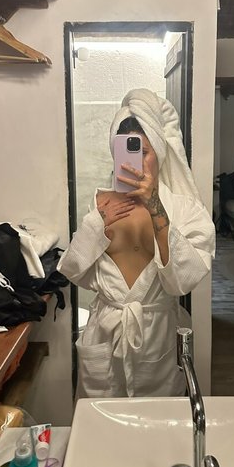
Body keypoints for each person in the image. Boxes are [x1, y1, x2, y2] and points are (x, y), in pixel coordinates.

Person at [57, 88, 215, 398]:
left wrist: (156, 208)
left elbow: (182, 282)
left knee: (157, 420)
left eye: (144, 152)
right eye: (127, 152)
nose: (136, 163)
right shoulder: (101, 204)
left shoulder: (183, 209)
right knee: (101, 419)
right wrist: (96, 226)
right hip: (106, 332)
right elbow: (73, 271)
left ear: (160, 153)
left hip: (157, 335)